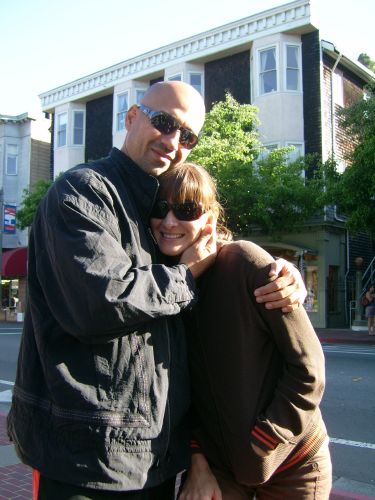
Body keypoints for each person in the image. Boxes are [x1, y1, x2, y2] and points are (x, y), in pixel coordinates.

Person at [7, 81, 306, 500]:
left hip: (157, 464)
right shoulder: (83, 192)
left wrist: (282, 273)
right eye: (164, 122)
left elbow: (191, 356)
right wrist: (183, 277)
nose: (172, 141)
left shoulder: (161, 217)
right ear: (131, 118)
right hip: (84, 461)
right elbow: (99, 303)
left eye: (188, 136)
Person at [149, 162, 332, 500]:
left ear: (209, 220)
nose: (170, 221)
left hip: (294, 461)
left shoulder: (246, 263)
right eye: (161, 208)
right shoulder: (155, 289)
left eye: (187, 209)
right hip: (219, 465)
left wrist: (265, 440)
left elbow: (309, 370)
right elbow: (177, 391)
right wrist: (198, 462)